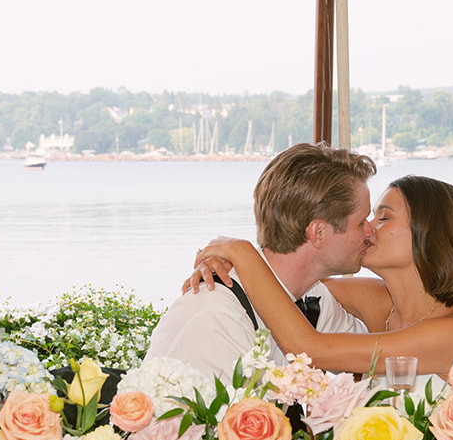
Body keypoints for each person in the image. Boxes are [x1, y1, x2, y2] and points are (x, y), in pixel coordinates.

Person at [190, 175, 453, 375]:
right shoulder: (380, 300)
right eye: (368, 217)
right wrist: (220, 260)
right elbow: (288, 279)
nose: (367, 229)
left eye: (383, 218)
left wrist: (243, 252)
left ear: (430, 235)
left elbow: (310, 350)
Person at [141, 142, 377, 378]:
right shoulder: (217, 316)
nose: (370, 231)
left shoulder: (316, 298)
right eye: (361, 222)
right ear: (319, 233)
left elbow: (369, 367)